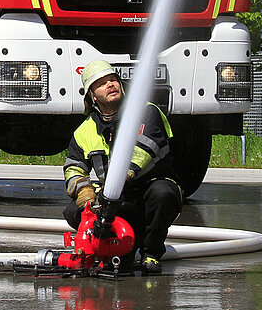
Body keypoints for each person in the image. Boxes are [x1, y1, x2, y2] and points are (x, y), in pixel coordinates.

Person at [63, 59, 182, 274]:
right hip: (117, 198)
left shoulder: (146, 111)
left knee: (163, 193)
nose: (110, 84)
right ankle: (111, 249)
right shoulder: (84, 132)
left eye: (113, 80)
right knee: (74, 211)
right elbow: (73, 167)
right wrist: (83, 191)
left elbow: (143, 149)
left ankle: (151, 253)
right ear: (92, 95)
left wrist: (123, 174)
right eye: (101, 83)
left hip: (148, 191)